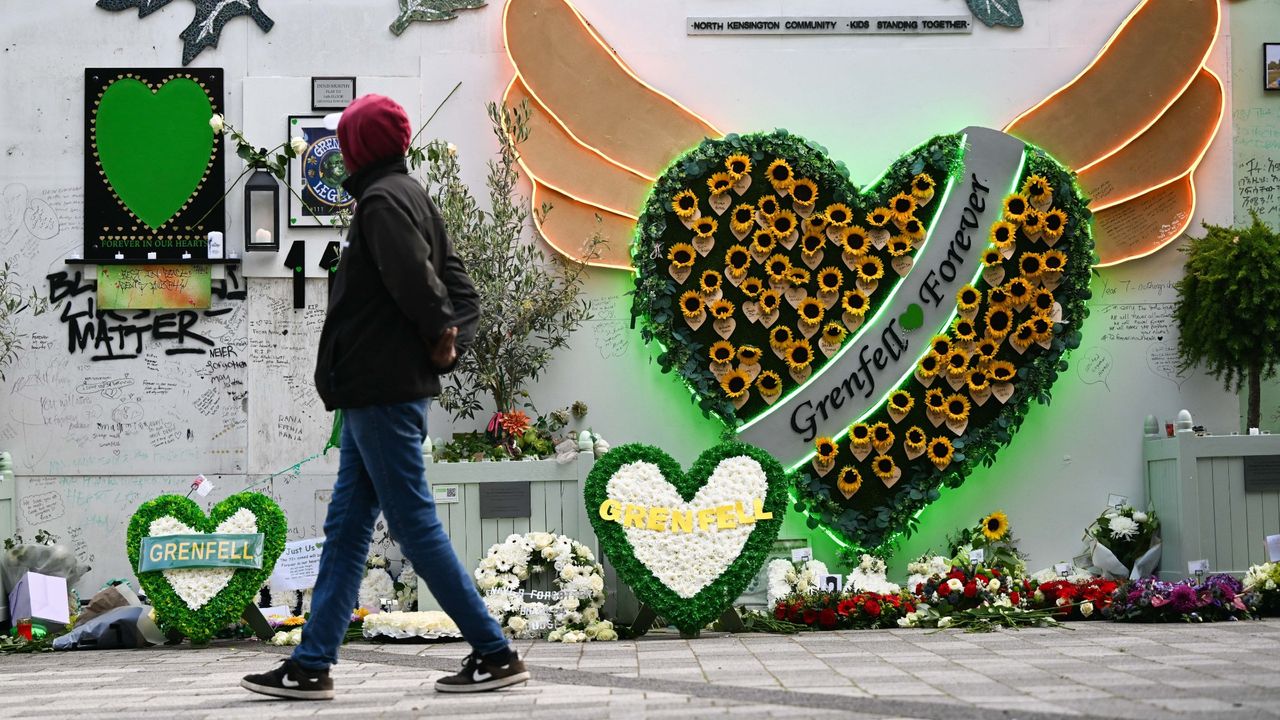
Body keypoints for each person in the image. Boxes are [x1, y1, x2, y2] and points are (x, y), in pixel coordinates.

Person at [241, 94, 527, 701]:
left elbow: (423, 286)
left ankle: (495, 651)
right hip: (382, 393)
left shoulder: (380, 202)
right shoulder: (411, 196)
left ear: (356, 148)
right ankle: (311, 662)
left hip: (381, 392)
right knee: (347, 529)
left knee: (412, 522)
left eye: (346, 141)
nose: (343, 150)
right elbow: (462, 293)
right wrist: (448, 338)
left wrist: (440, 336)